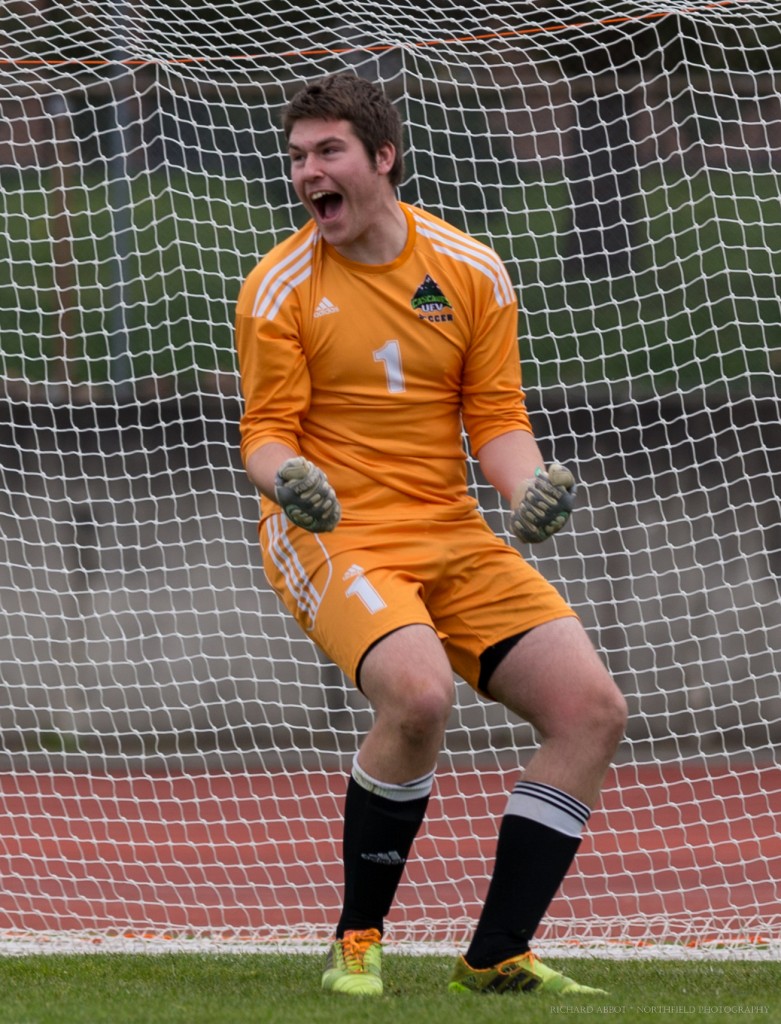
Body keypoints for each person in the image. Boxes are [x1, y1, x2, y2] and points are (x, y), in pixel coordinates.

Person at [235, 71, 627, 998]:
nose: (307, 174)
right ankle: (358, 940)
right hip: (335, 534)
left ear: (382, 158)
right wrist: (290, 482)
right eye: (296, 157)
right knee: (416, 695)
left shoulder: (470, 270)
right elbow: (265, 436)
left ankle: (494, 955)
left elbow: (495, 418)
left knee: (591, 711)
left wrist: (527, 488)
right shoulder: (278, 288)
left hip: (449, 530)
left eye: (327, 152)